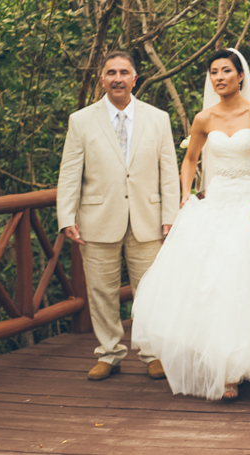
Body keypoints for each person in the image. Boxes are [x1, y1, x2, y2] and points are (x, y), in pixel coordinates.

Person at [131, 48, 250, 401]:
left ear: (240, 76)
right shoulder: (205, 118)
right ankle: (225, 370)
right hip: (216, 203)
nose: (219, 77)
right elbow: (189, 160)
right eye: (214, 72)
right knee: (215, 283)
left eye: (226, 71)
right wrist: (186, 194)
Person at [56, 51, 180, 381]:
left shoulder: (158, 118)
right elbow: (70, 172)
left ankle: (153, 353)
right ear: (102, 79)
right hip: (97, 218)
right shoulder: (81, 120)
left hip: (148, 218)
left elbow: (169, 172)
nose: (117, 78)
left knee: (152, 290)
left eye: (124, 72)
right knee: (101, 291)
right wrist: (65, 215)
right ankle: (109, 353)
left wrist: (170, 214)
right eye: (111, 72)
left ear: (135, 79)